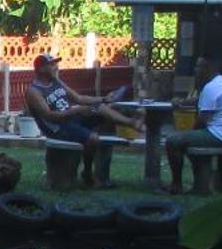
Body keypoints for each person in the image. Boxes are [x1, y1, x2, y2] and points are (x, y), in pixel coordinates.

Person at [24, 52, 142, 187]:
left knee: (101, 108)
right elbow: (49, 116)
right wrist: (76, 110)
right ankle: (87, 173)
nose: (56, 67)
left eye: (55, 64)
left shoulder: (56, 82)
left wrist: (102, 99)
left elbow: (79, 98)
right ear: (41, 69)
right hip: (57, 128)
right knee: (93, 139)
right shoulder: (34, 92)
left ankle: (132, 123)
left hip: (70, 118)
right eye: (52, 65)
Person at [164, 53, 222, 193]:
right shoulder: (221, 82)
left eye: (199, 66)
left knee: (172, 141)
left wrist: (188, 135)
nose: (196, 69)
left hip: (219, 135)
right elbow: (201, 99)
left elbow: (202, 121)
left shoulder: (211, 87)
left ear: (209, 68)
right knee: (184, 140)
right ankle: (203, 180)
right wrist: (182, 101)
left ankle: (176, 185)